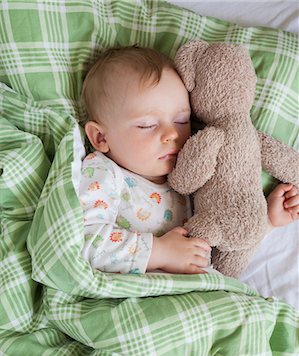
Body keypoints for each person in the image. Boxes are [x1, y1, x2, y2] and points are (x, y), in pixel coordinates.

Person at [79, 45, 299, 275]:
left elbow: (215, 251)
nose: (172, 134)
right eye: (147, 125)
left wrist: (268, 221)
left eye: (182, 120)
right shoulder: (103, 173)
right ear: (100, 137)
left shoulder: (190, 181)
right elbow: (84, 242)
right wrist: (160, 252)